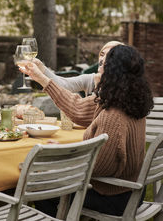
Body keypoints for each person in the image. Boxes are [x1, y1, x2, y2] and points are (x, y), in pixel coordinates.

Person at [21, 45, 153, 216]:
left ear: (112, 72)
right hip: (132, 190)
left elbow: (98, 167)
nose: (99, 66)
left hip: (114, 196)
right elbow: (76, 108)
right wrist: (42, 79)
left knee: (39, 186)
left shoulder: (112, 115)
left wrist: (65, 154)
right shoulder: (127, 100)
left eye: (103, 64)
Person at [33, 41, 124, 95]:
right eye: (102, 54)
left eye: (109, 55)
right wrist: (41, 67)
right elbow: (64, 85)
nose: (102, 59)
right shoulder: (91, 79)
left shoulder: (125, 86)